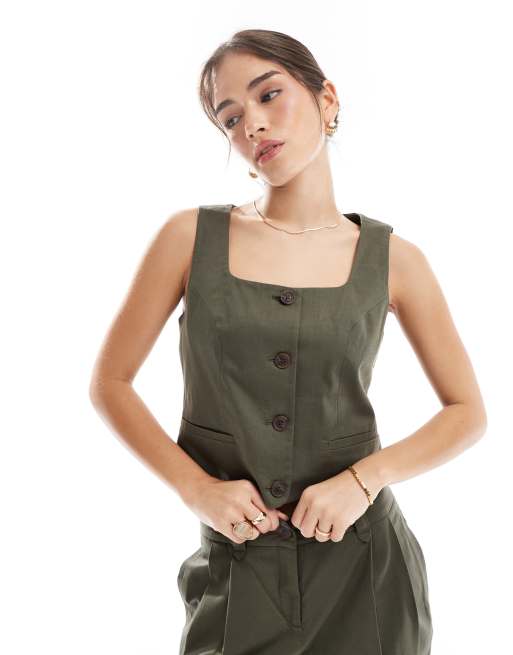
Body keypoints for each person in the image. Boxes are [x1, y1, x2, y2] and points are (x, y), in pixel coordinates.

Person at [89, 29, 487, 655]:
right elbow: (110, 383)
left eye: (269, 95)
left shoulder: (395, 260)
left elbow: (467, 413)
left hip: (368, 576)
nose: (252, 124)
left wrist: (363, 480)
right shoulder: (189, 239)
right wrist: (197, 488)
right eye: (230, 118)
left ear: (327, 99)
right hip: (236, 570)